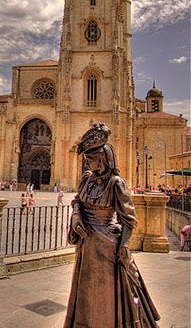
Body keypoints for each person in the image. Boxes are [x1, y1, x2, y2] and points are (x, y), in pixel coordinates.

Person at [64, 122, 160, 328]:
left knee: (104, 290)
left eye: (91, 159)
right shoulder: (87, 179)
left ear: (103, 159)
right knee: (86, 288)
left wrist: (123, 247)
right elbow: (77, 202)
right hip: (86, 244)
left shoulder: (116, 183)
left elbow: (128, 219)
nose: (88, 163)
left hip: (107, 245)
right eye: (87, 159)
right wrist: (76, 218)